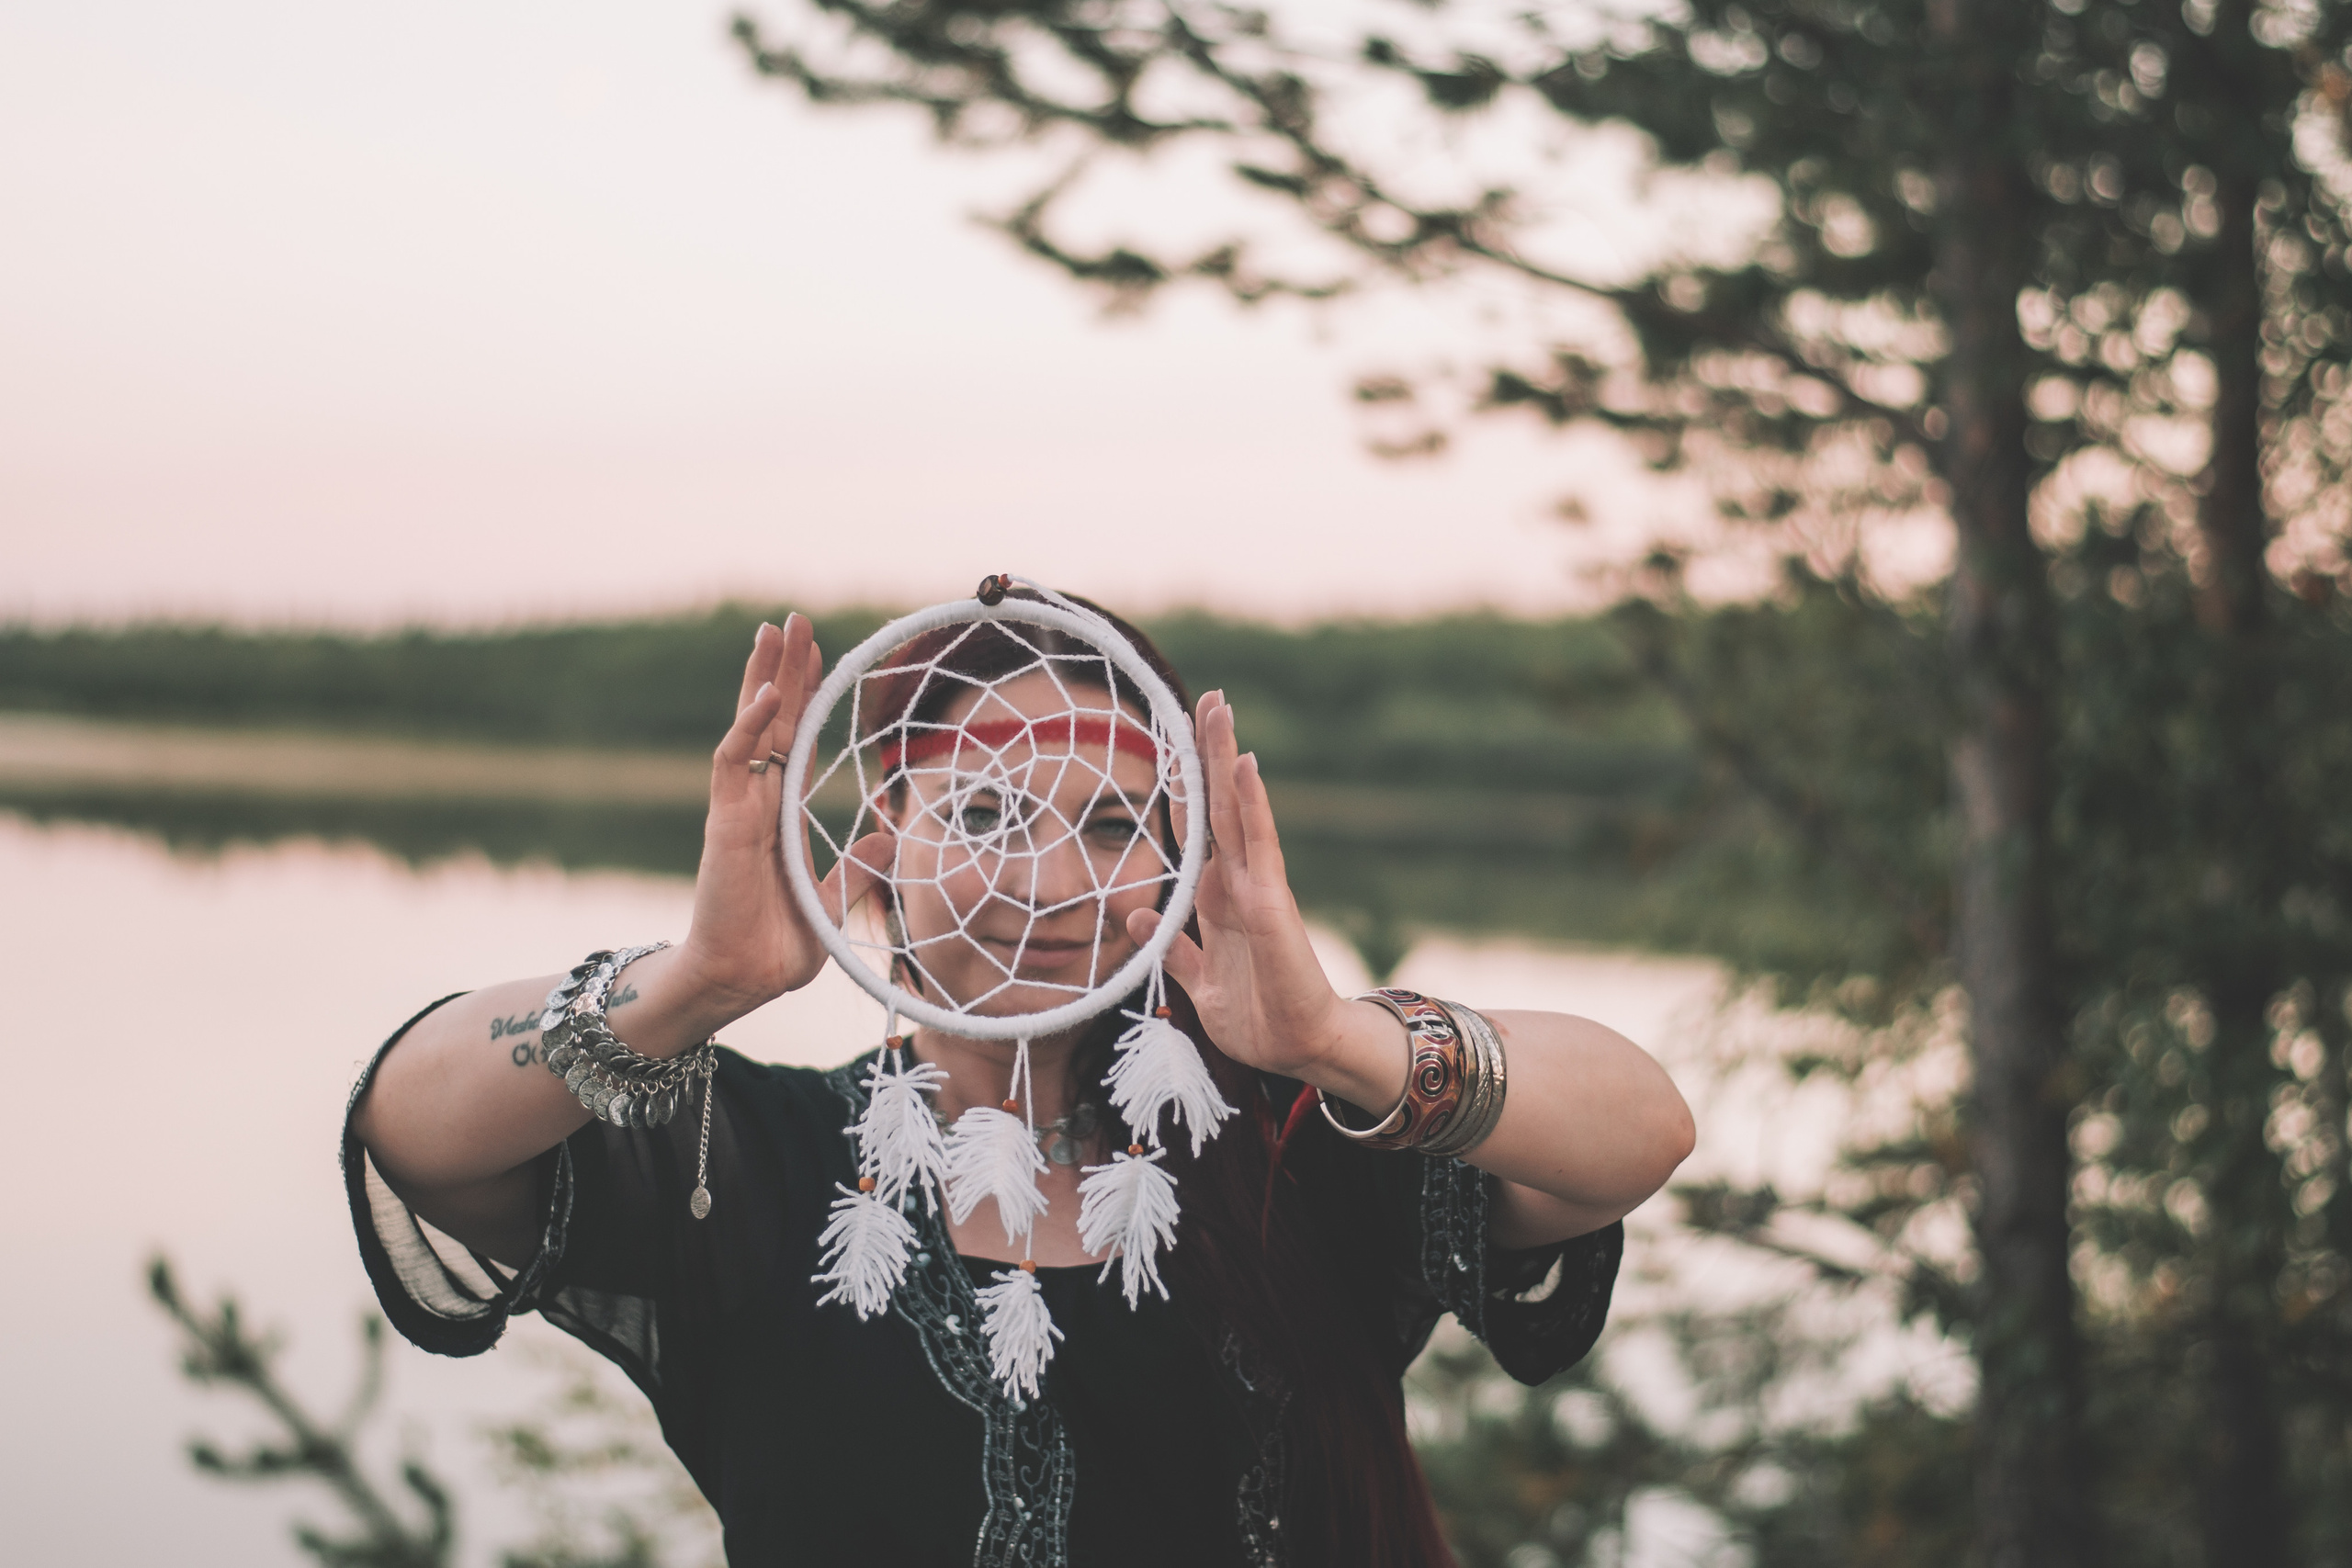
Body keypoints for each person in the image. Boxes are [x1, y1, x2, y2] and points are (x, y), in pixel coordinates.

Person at [345, 596, 1696, 1568]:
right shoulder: (742, 1161)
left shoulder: (1308, 1144)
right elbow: (420, 1128)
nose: (1048, 886)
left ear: (1181, 862)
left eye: (1113, 822)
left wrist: (1341, 1037)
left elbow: (1640, 1128)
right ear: (874, 847)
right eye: (983, 815)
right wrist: (692, 982)